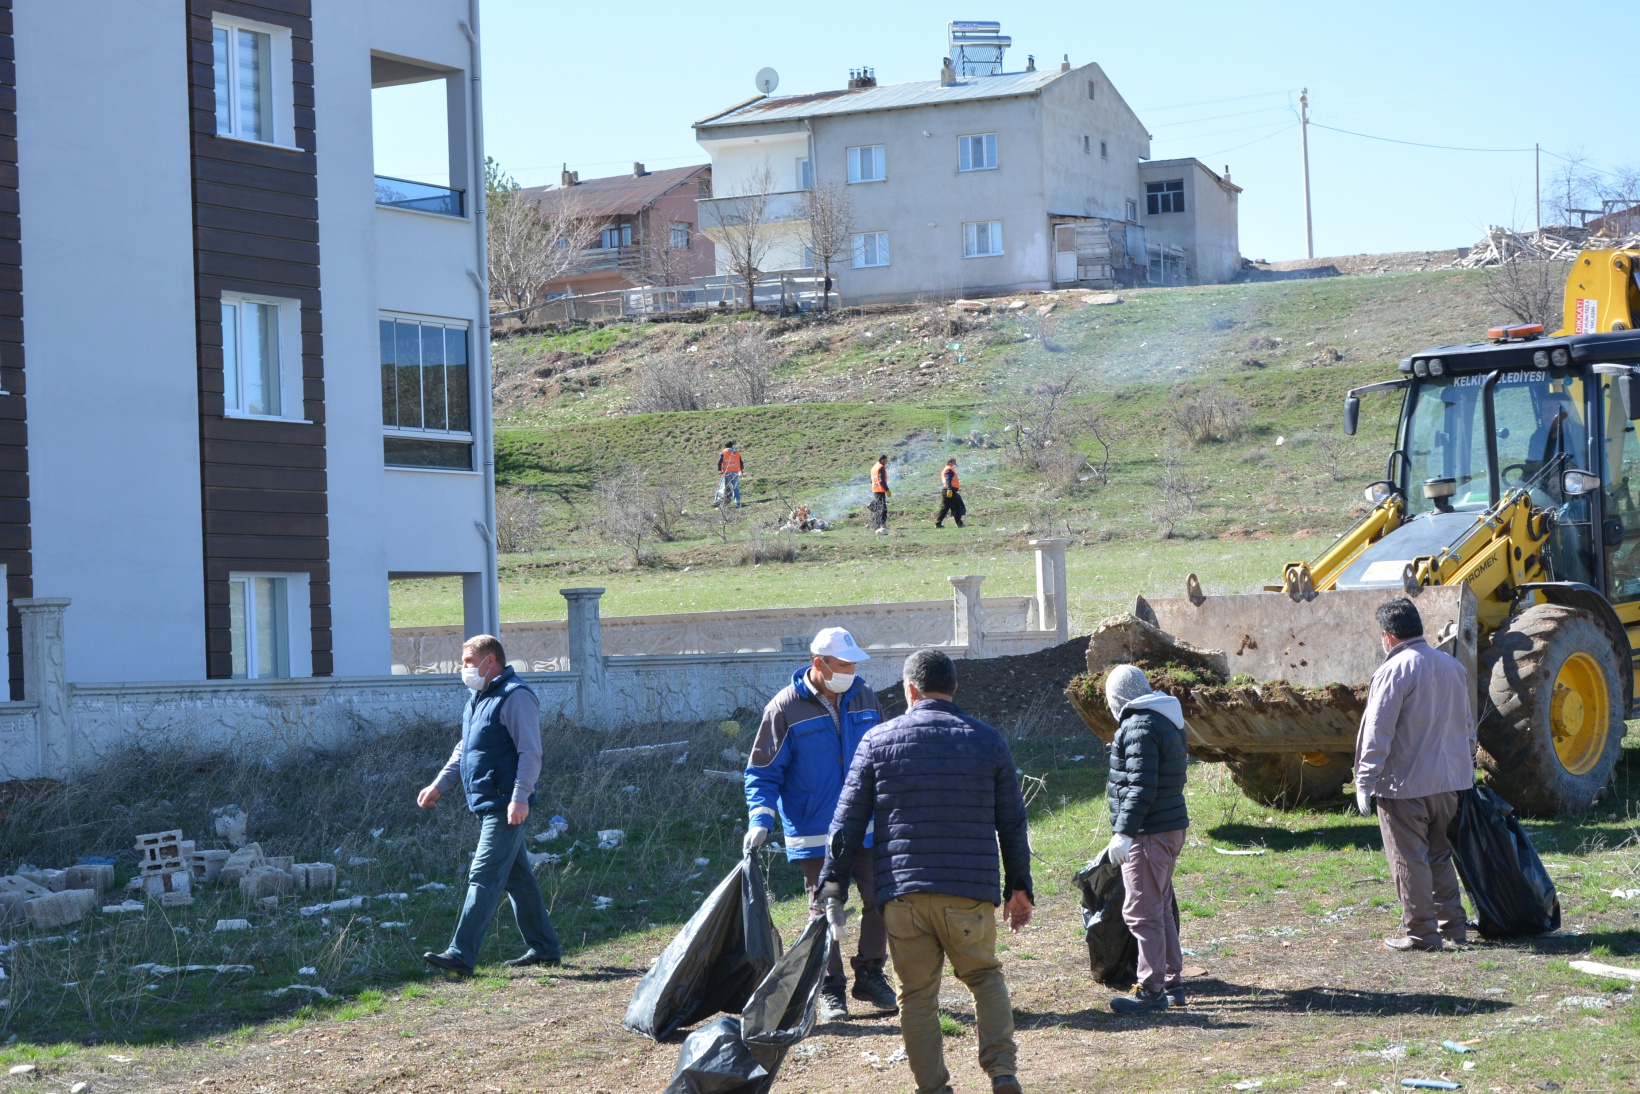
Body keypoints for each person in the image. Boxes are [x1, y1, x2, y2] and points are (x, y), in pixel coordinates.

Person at [820, 649, 1032, 1094]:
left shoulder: (877, 742)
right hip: (968, 892)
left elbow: (847, 824)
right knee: (984, 977)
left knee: (916, 996)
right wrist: (1019, 887)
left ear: (909, 689)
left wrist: (832, 883)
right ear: (953, 688)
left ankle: (934, 1088)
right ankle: (1003, 1073)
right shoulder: (988, 740)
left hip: (903, 894)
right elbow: (1011, 821)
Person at [743, 627, 894, 1020]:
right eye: (843, 665)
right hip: (816, 833)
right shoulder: (784, 709)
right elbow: (762, 773)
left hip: (867, 827)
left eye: (854, 664)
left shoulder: (865, 697)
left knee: (883, 898)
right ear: (819, 664)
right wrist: (761, 819)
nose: (851, 671)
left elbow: (884, 754)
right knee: (825, 907)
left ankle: (871, 974)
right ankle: (830, 988)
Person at [416, 635, 560, 975]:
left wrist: (520, 796)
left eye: (468, 662)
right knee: (517, 878)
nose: (464, 669)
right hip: (490, 802)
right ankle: (545, 948)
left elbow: (530, 752)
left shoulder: (516, 697)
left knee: (483, 874)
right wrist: (439, 785)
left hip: (505, 804)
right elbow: (465, 751)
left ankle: (461, 954)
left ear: (490, 661)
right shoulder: (478, 699)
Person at [1354, 596, 1475, 953]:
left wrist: (1365, 781)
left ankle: (1422, 934)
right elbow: (1467, 727)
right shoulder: (1452, 666)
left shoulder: (1393, 671)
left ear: (1388, 636)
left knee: (1409, 860)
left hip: (1404, 786)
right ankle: (1453, 927)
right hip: (1449, 784)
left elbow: (1379, 732)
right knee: (1439, 855)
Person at [1101, 664, 1190, 1014]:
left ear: (1118, 697)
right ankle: (1172, 981)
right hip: (1167, 827)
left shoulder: (1138, 725)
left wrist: (1123, 833)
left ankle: (1151, 990)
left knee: (1141, 911)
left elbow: (1140, 788)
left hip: (1149, 832)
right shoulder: (1164, 718)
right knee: (1160, 905)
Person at [936, 458, 966, 528]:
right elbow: (948, 480)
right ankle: (960, 524)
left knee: (945, 508)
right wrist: (949, 489)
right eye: (954, 462)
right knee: (956, 507)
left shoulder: (948, 469)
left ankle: (938, 524)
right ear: (950, 462)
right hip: (949, 491)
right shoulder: (949, 469)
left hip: (947, 491)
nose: (955, 464)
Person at [717, 441, 744, 508]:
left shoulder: (724, 452)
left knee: (725, 488)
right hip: (735, 473)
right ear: (732, 445)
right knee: (736, 488)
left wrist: (720, 470)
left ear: (725, 446)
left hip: (727, 473)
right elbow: (741, 463)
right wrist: (741, 471)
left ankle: (724, 503)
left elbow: (719, 462)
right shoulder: (737, 453)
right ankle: (737, 502)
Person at [869, 455, 891, 535]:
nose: (886, 462)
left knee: (879, 507)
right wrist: (887, 490)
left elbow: (871, 481)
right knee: (883, 509)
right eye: (885, 460)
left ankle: (875, 524)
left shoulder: (873, 468)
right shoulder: (881, 467)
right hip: (880, 490)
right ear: (881, 460)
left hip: (875, 489)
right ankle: (882, 526)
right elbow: (882, 481)